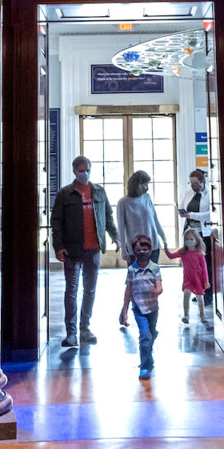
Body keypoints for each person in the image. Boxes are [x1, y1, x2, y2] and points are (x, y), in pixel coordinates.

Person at [50, 156, 113, 347]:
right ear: (74, 171)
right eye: (81, 170)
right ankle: (71, 332)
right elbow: (57, 222)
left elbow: (107, 216)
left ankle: (85, 327)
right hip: (72, 249)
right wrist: (58, 246)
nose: (84, 173)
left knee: (90, 290)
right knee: (71, 290)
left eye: (87, 169)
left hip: (93, 249)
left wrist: (115, 236)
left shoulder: (99, 192)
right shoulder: (64, 194)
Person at [114, 170, 166, 328]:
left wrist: (164, 238)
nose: (147, 187)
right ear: (136, 184)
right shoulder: (123, 203)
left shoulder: (147, 198)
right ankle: (127, 311)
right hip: (135, 250)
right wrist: (124, 251)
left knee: (150, 283)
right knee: (135, 285)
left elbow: (155, 220)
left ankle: (149, 317)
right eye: (145, 184)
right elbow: (121, 229)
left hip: (153, 247)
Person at [124, 233, 164, 378]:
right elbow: (128, 291)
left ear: (150, 250)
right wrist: (125, 311)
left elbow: (160, 286)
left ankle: (149, 356)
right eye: (138, 250)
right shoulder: (131, 270)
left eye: (145, 250)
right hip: (139, 309)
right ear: (134, 252)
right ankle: (145, 367)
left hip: (153, 308)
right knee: (145, 336)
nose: (142, 253)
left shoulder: (155, 268)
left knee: (150, 334)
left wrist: (156, 291)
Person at [179, 168, 215, 325]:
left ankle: (207, 294)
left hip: (204, 233)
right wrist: (183, 213)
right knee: (192, 266)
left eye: (196, 183)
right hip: (190, 232)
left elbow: (210, 213)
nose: (193, 186)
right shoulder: (189, 194)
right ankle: (196, 291)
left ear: (202, 182)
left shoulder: (209, 195)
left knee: (205, 265)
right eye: (191, 183)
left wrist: (192, 215)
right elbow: (182, 206)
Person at [167, 225, 210, 324]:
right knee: (186, 294)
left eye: (191, 239)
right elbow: (171, 256)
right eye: (187, 239)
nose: (189, 241)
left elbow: (204, 269)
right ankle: (186, 315)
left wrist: (206, 281)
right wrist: (166, 249)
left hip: (198, 279)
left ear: (196, 240)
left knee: (200, 298)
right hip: (188, 279)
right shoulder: (183, 252)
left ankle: (202, 314)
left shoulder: (199, 253)